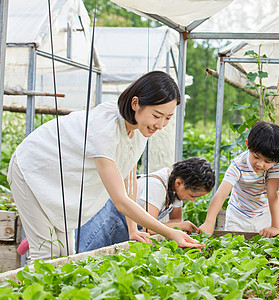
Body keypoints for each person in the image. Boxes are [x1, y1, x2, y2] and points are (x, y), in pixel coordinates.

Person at [8, 71, 204, 262]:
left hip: (61, 182)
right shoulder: (106, 127)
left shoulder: (139, 132)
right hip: (32, 169)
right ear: (136, 103)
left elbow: (129, 182)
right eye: (156, 115)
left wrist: (133, 228)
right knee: (46, 254)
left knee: (65, 257)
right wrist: (170, 232)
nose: (161, 125)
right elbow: (120, 201)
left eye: (168, 118)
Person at [77, 157, 215, 252]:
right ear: (179, 183)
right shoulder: (156, 186)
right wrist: (179, 226)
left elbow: (176, 220)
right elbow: (148, 229)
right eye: (193, 196)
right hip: (107, 221)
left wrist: (179, 225)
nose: (193, 200)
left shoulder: (176, 191)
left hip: (124, 228)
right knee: (83, 254)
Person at [199, 121, 279, 238]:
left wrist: (275, 226)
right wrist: (209, 223)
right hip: (238, 216)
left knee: (270, 249)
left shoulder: (276, 162)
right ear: (248, 144)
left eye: (267, 162)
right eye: (256, 157)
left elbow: (272, 193)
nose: (260, 164)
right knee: (235, 250)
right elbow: (221, 194)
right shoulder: (238, 165)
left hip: (265, 215)